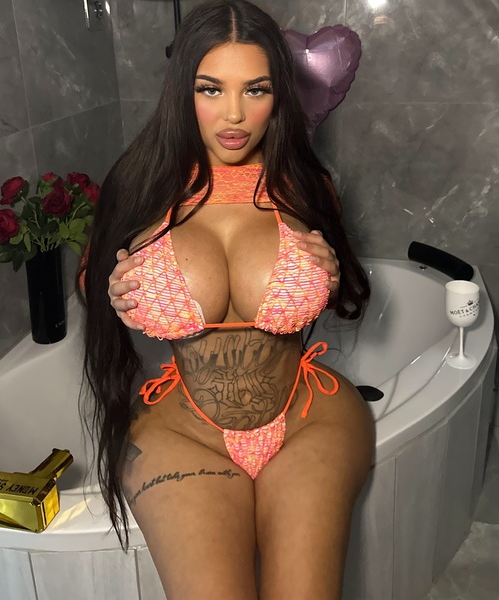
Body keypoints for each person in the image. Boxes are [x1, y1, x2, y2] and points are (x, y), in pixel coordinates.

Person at [80, 1, 375, 598]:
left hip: (309, 420)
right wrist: (109, 291)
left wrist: (332, 276)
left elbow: (348, 294)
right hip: (184, 434)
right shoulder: (139, 185)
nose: (234, 114)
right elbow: (93, 286)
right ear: (181, 91)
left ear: (278, 95)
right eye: (210, 89)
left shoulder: (306, 185)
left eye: (255, 89)